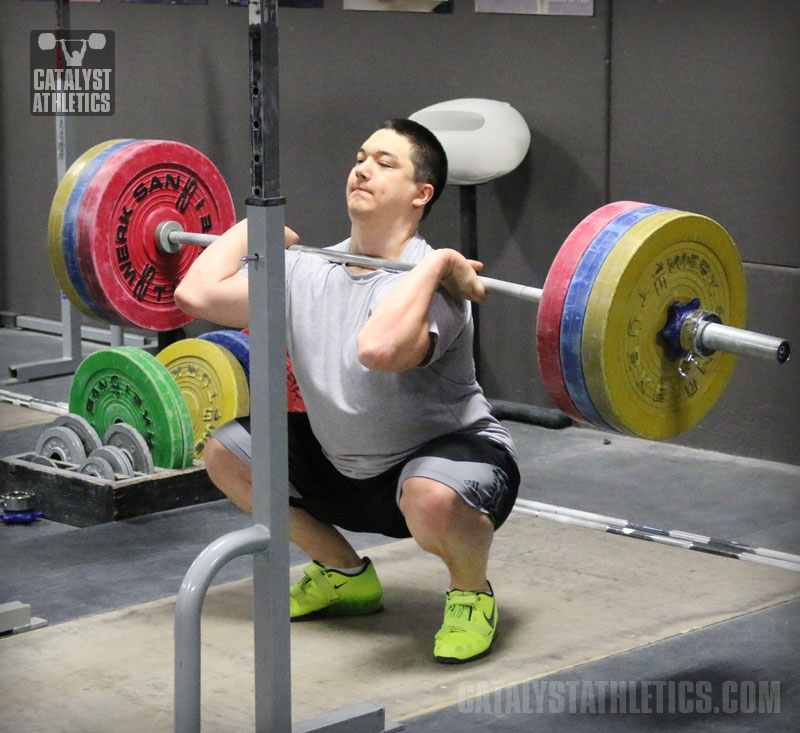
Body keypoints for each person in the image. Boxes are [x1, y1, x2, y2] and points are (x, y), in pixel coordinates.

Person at [174, 118, 520, 664]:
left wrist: (435, 265)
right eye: (360, 157)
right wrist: (262, 231)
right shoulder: (306, 269)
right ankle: (344, 575)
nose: (363, 168)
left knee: (431, 497)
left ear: (420, 194)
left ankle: (471, 593)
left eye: (386, 163)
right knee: (227, 453)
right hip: (345, 462)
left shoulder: (441, 290)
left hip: (448, 464)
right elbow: (195, 294)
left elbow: (379, 350)